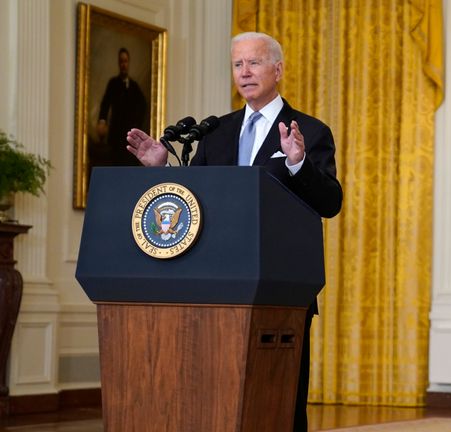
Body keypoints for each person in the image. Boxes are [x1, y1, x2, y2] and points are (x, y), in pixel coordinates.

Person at [126, 32, 343, 432]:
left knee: (279, 400)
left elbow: (330, 203)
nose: (245, 72)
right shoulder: (215, 131)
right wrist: (161, 171)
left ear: (277, 69)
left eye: (254, 62)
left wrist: (298, 164)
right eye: (238, 64)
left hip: (281, 287)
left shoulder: (308, 132)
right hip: (216, 287)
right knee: (215, 397)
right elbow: (195, 203)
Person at [95, 47, 147, 166]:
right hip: (116, 135)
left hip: (130, 136)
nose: (124, 64)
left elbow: (143, 106)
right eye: (121, 61)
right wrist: (102, 121)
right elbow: (105, 103)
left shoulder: (134, 86)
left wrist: (137, 124)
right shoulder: (113, 83)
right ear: (119, 63)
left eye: (126, 61)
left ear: (128, 63)